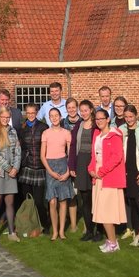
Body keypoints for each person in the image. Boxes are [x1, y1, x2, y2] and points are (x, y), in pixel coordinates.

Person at [88, 109, 126, 253]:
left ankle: (114, 243)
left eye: (101, 118)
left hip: (109, 177)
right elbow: (94, 155)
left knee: (106, 211)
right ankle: (110, 240)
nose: (99, 121)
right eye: (96, 119)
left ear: (108, 119)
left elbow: (117, 157)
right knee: (102, 211)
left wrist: (101, 172)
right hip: (98, 176)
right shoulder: (97, 135)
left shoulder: (114, 135)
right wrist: (91, 169)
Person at [69, 99, 101, 242]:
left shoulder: (97, 125)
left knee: (96, 198)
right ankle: (89, 230)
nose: (83, 113)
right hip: (81, 162)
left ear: (91, 110)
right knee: (84, 199)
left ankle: (99, 230)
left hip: (94, 161)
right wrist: (72, 166)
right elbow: (73, 146)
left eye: (86, 110)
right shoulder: (78, 125)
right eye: (81, 111)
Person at [0, 106, 21, 244]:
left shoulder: (13, 131)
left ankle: (11, 232)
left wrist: (15, 168)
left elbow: (18, 151)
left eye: (8, 117)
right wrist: (8, 167)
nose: (6, 119)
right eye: (3, 117)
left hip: (12, 173)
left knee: (10, 202)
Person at [41, 107, 74, 241]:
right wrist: (50, 172)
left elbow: (70, 155)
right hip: (50, 167)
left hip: (63, 165)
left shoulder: (66, 133)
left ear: (60, 117)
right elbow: (42, 156)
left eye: (56, 115)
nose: (54, 118)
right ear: (49, 118)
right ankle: (54, 231)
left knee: (63, 200)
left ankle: (61, 231)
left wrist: (68, 172)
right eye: (51, 116)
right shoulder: (45, 133)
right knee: (52, 201)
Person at [18, 103, 48, 231]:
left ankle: (45, 225)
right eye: (28, 113)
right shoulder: (22, 128)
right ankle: (30, 224)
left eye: (33, 113)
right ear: (26, 113)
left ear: (36, 113)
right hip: (26, 167)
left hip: (40, 167)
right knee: (28, 200)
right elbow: (19, 147)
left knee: (39, 201)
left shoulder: (43, 127)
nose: (30, 115)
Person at [119, 104, 139, 244]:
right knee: (130, 201)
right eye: (126, 117)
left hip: (138, 169)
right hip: (126, 169)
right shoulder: (122, 130)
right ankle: (135, 231)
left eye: (131, 116)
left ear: (136, 116)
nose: (128, 119)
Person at [62, 97, 80, 233]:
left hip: (80, 161)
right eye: (69, 108)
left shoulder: (83, 122)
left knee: (82, 194)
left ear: (77, 108)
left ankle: (86, 222)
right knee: (69, 194)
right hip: (66, 161)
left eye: (74, 107)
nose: (72, 110)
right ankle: (72, 224)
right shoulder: (62, 123)